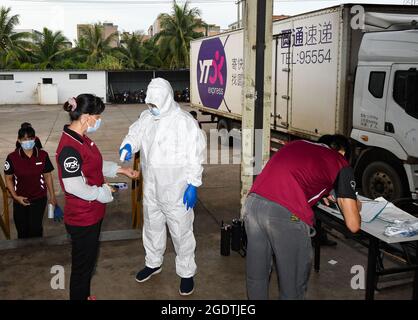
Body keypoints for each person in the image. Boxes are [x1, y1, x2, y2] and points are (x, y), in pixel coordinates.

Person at [244, 135, 361, 300]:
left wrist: (325, 190)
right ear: (342, 153)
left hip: (253, 206)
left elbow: (301, 175)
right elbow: (353, 224)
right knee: (292, 287)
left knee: (257, 278)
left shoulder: (298, 144)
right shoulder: (340, 163)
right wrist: (354, 202)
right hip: (285, 216)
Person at [119, 78, 206, 296]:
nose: (152, 108)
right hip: (152, 188)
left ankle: (186, 274)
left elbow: (195, 155)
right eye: (150, 104)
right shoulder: (147, 117)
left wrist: (193, 184)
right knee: (152, 227)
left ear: (167, 99)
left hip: (177, 190)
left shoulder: (184, 122)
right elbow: (135, 133)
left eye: (155, 104)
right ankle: (153, 262)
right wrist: (128, 145)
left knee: (181, 232)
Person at [56, 94, 139, 300]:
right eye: (97, 116)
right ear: (86, 117)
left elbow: (94, 163)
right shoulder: (69, 148)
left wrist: (120, 170)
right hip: (82, 217)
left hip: (92, 213)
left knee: (89, 262)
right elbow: (74, 185)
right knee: (82, 267)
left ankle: (84, 296)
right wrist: (101, 192)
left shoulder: (81, 139)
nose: (99, 120)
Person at [4, 125, 57, 238]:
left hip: (39, 198)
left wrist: (52, 196)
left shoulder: (43, 155)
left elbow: (48, 176)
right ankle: (23, 253)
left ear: (35, 139)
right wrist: (15, 196)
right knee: (22, 230)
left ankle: (37, 252)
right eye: (24, 139)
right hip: (20, 199)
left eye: (30, 138)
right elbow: (8, 178)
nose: (28, 142)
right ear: (19, 140)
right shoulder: (12, 157)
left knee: (35, 228)